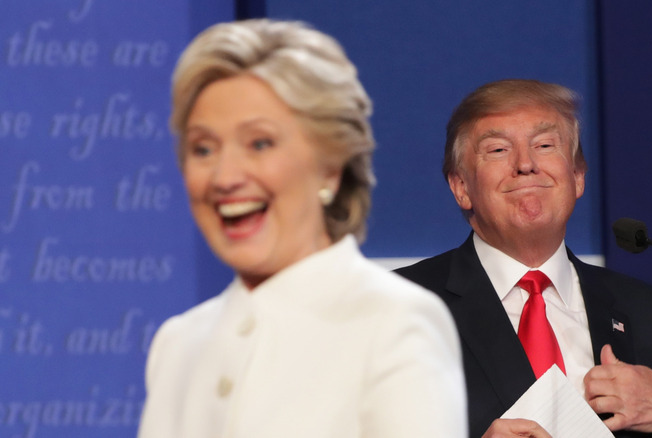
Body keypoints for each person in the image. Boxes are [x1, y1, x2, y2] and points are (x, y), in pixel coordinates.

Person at [137, 19, 467, 438]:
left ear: (330, 167)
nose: (224, 176)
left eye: (259, 143)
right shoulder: (178, 343)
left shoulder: (395, 324)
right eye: (203, 148)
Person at [396, 79, 652, 438]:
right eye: (499, 149)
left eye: (545, 145)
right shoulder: (396, 308)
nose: (525, 164)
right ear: (461, 187)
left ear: (578, 176)